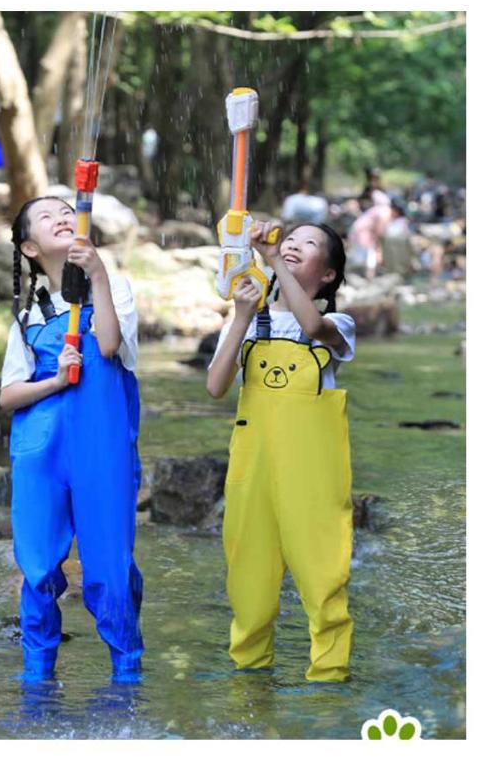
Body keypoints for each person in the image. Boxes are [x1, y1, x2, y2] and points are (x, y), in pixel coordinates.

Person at [0, 195, 143, 683]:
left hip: (101, 448)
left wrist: (97, 273)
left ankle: (127, 678)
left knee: (109, 568)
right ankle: (37, 681)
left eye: (67, 211)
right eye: (46, 216)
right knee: (38, 566)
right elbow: (8, 395)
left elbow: (109, 345)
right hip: (41, 452)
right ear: (30, 247)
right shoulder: (28, 318)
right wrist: (56, 382)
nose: (61, 217)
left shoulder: (115, 289)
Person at [207, 222, 355, 682]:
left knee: (323, 578)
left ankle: (329, 686)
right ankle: (250, 684)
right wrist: (241, 316)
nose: (292, 244)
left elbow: (312, 325)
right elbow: (215, 386)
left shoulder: (338, 326)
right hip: (252, 473)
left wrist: (271, 259)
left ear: (328, 275)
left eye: (309, 243)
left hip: (314, 475)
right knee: (248, 582)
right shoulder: (250, 321)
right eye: (289, 238)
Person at [347, 199, 392, 279]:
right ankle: (365, 276)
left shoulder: (378, 209)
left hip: (360, 231)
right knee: (367, 255)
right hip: (362, 233)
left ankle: (363, 275)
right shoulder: (386, 211)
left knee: (364, 255)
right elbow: (380, 230)